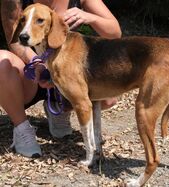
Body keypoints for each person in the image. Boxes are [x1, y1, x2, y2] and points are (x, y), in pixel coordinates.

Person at [0, 0, 121, 158]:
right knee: (1, 62)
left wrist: (90, 17)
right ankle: (22, 129)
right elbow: (15, 40)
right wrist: (39, 63)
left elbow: (115, 33)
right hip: (32, 76)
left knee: (108, 98)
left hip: (66, 73)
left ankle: (60, 108)